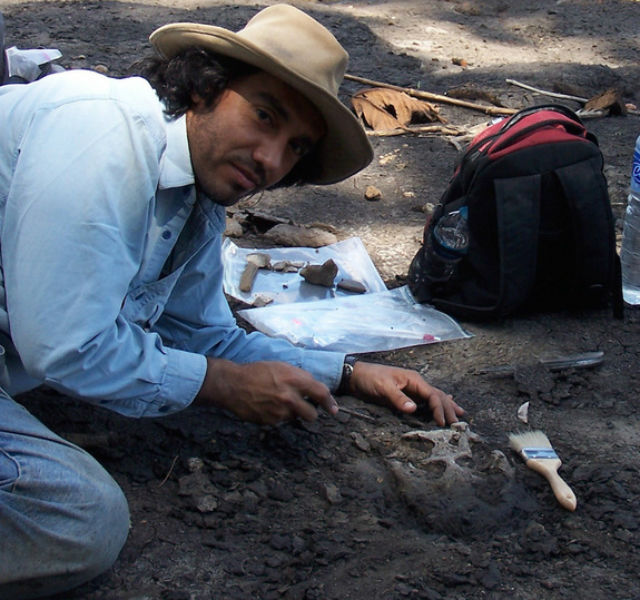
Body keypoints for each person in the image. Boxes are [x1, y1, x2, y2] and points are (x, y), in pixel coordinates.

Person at [0, 4, 464, 598]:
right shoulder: (102, 134)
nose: (271, 161)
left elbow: (200, 332)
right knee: (78, 523)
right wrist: (219, 384)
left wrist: (348, 374)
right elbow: (63, 346)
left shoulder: (195, 197)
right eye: (264, 115)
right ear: (205, 86)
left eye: (295, 147)